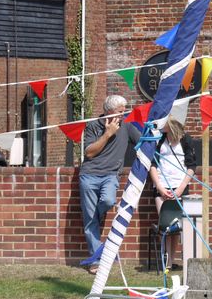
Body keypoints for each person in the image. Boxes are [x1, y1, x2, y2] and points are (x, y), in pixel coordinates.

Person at [79, 94, 140, 272]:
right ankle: (96, 260)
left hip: (111, 175)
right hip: (89, 175)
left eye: (124, 111)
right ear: (108, 112)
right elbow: (89, 153)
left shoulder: (126, 125)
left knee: (108, 201)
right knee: (89, 221)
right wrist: (108, 134)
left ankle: (95, 218)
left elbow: (142, 142)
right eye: (119, 112)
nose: (123, 115)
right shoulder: (93, 126)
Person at [148, 118, 198, 268]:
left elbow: (191, 166)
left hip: (179, 187)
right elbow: (152, 164)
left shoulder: (186, 139)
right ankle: (166, 260)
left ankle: (171, 260)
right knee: (165, 224)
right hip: (162, 187)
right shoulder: (159, 139)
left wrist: (180, 189)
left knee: (175, 226)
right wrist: (159, 187)